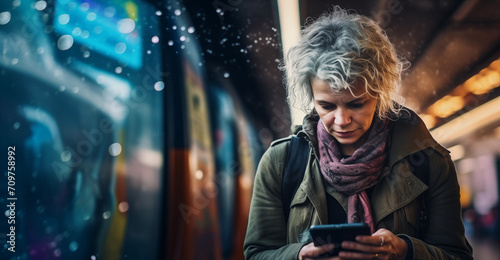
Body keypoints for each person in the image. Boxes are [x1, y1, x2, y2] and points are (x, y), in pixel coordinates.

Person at [243, 7, 473, 260]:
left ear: (379, 93)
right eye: (327, 106)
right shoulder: (280, 162)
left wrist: (405, 251)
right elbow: (256, 254)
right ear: (312, 98)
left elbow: (457, 256)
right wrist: (298, 256)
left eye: (356, 103)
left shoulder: (430, 162)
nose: (341, 121)